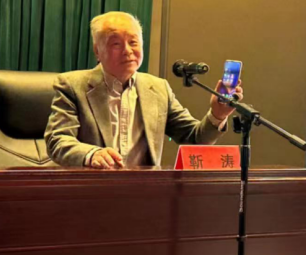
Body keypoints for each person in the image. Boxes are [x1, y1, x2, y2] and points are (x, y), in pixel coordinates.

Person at [45, 11, 242, 168]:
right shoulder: (72, 85)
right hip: (92, 191)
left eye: (133, 42)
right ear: (97, 50)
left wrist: (217, 115)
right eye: (116, 44)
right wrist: (91, 154)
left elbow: (194, 139)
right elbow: (58, 141)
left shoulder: (158, 88)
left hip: (145, 192)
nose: (127, 51)